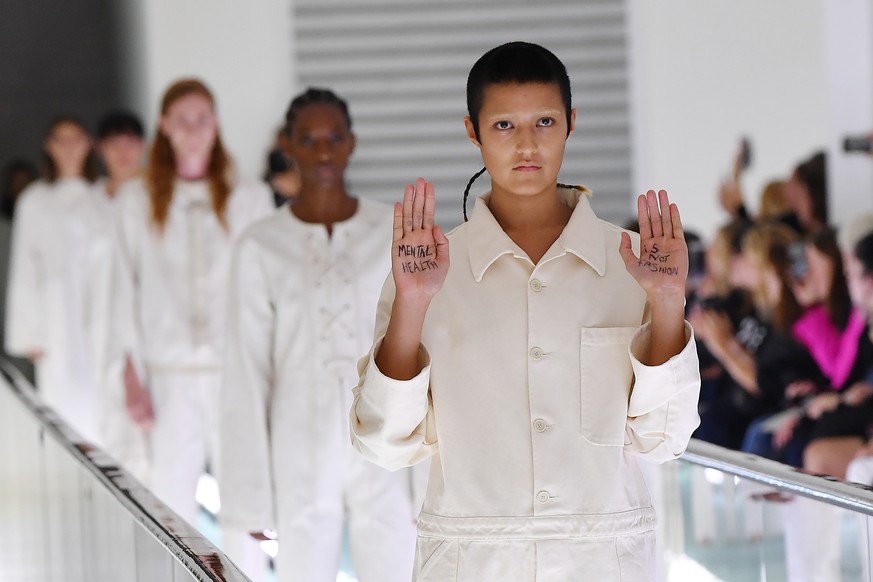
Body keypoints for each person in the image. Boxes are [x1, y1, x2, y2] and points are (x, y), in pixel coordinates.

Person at [349, 42, 701, 580]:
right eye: (504, 126)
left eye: (544, 121)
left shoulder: (632, 264)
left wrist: (667, 300)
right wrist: (414, 304)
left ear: (571, 124)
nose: (527, 144)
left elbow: (663, 438)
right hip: (474, 561)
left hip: (602, 560)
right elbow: (381, 441)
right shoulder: (426, 273)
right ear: (473, 131)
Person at [219, 88, 417, 582]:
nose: (323, 151)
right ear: (288, 144)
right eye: (308, 139)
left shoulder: (393, 230)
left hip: (385, 433)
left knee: (396, 563)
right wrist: (249, 497)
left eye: (334, 138)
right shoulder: (260, 246)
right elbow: (245, 371)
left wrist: (433, 481)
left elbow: (424, 348)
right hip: (296, 438)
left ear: (351, 143)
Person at [108, 79, 274, 579]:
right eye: (181, 119)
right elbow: (123, 288)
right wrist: (130, 376)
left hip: (234, 374)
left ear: (216, 124)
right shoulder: (135, 201)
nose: (192, 129)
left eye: (201, 118)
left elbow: (263, 290)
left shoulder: (249, 197)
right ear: (164, 126)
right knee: (169, 499)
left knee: (242, 498)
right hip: (168, 372)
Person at [5, 116, 111, 444]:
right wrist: (28, 334)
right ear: (49, 146)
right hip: (56, 320)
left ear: (88, 143)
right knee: (65, 405)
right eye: (60, 140)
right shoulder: (34, 200)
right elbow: (25, 267)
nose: (68, 148)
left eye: (75, 139)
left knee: (106, 400)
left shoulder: (104, 196)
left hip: (103, 309)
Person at [95, 110, 146, 198]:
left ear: (143, 145)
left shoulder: (159, 193)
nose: (122, 151)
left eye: (130, 144)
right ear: (100, 148)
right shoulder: (90, 196)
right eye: (114, 144)